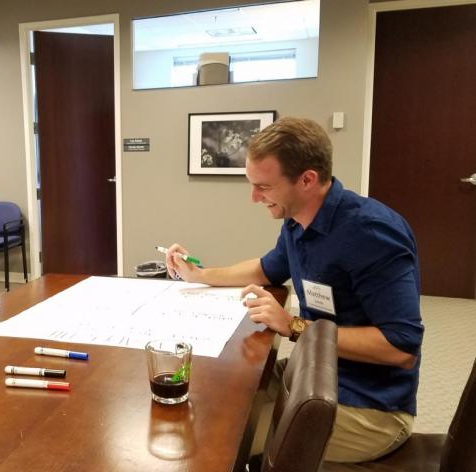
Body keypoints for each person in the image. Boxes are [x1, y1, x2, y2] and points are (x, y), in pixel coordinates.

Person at [165, 117, 423, 463]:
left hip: (371, 406)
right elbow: (265, 267)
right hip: (317, 373)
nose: (254, 197)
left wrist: (293, 325)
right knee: (226, 388)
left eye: (265, 187)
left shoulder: (371, 233)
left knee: (231, 437)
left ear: (307, 180)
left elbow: (400, 347)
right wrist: (199, 275)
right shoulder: (297, 220)